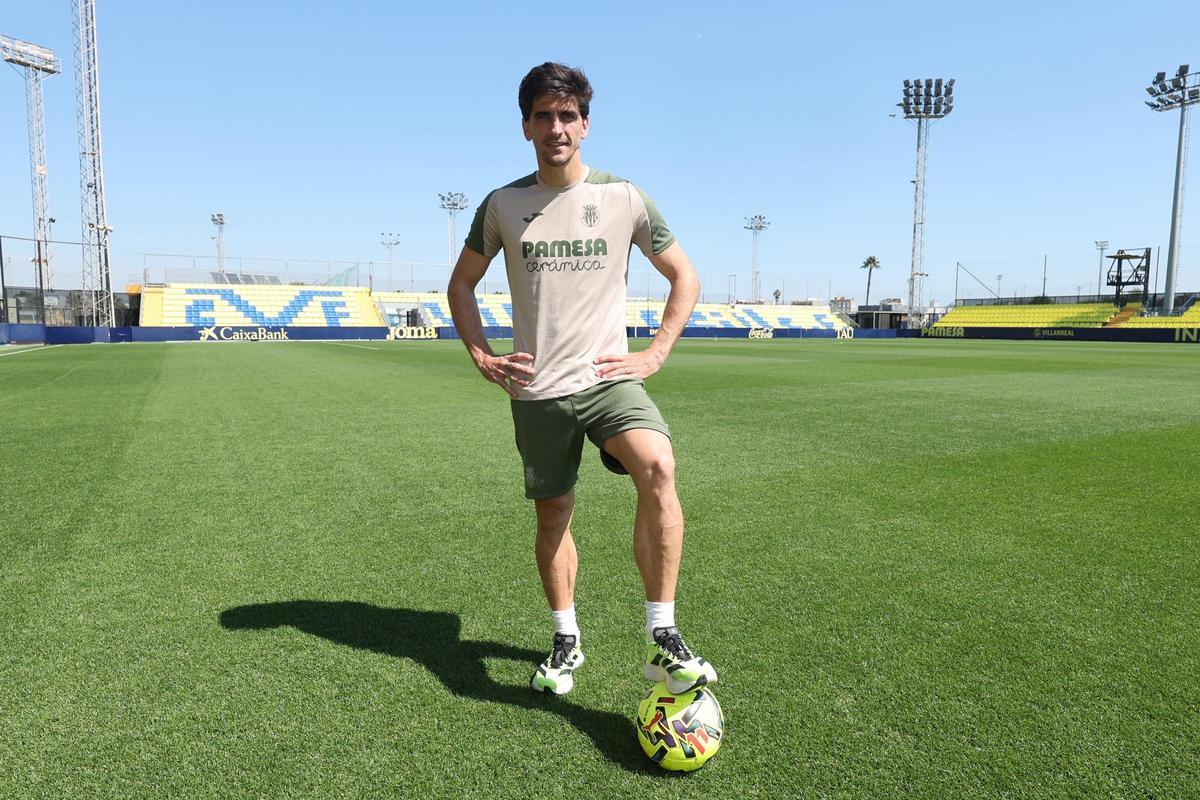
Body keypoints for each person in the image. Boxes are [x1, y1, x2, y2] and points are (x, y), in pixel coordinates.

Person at [447, 62, 716, 697]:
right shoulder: (502, 205)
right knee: (553, 515)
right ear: (526, 127)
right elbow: (461, 283)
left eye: (567, 116)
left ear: (585, 125)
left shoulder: (624, 198)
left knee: (658, 468)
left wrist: (652, 356)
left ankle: (663, 638)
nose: (556, 127)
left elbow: (687, 277)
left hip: (607, 379)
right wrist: (482, 354)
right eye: (544, 116)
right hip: (538, 388)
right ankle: (566, 641)